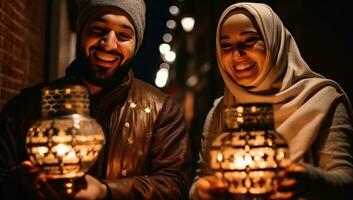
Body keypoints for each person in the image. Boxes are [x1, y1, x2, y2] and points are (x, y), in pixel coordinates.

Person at [0, 0, 191, 199]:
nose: (109, 44)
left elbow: (174, 186)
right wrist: (20, 182)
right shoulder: (26, 107)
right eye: (98, 30)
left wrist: (106, 191)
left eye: (124, 35)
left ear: (137, 44)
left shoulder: (163, 111)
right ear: (81, 32)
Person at [190, 2, 353, 200]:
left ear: (273, 41)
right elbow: (203, 178)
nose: (236, 54)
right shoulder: (222, 109)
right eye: (225, 45)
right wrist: (201, 190)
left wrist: (309, 181)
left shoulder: (322, 100)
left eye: (249, 41)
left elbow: (345, 182)